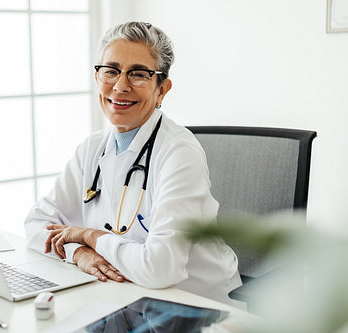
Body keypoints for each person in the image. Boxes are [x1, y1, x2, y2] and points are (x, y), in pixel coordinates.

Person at [24, 22, 241, 306]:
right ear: (97, 77)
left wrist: (91, 235)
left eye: (138, 74)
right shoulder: (92, 148)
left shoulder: (179, 153)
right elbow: (37, 224)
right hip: (122, 297)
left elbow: (161, 269)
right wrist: (80, 252)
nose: (120, 86)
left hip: (193, 305)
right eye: (111, 71)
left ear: (162, 89)